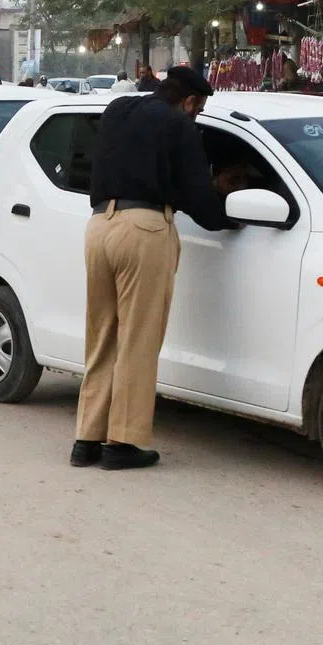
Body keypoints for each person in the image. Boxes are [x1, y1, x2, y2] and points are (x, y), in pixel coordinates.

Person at [71, 66, 229, 471]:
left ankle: (87, 439)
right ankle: (122, 443)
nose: (196, 116)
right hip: (144, 229)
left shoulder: (117, 109)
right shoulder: (179, 124)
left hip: (98, 226)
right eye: (199, 109)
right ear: (190, 101)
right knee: (138, 340)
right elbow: (198, 197)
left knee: (102, 336)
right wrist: (225, 209)